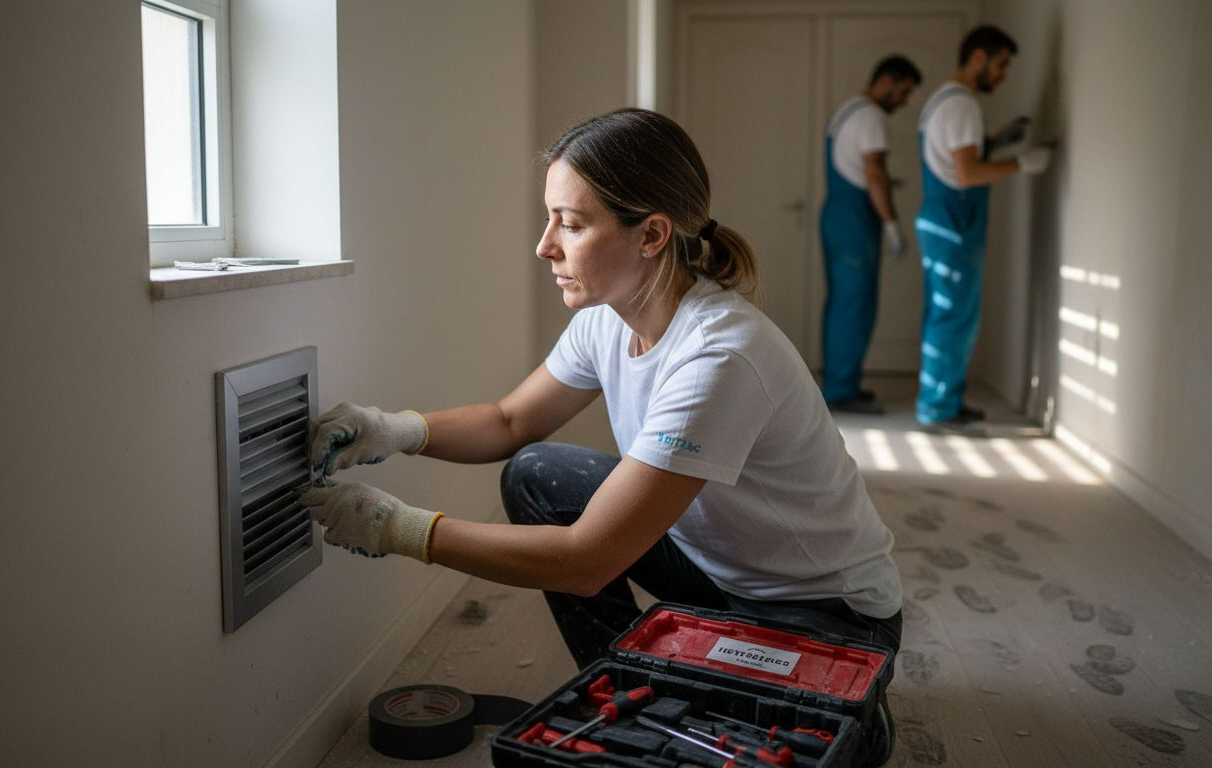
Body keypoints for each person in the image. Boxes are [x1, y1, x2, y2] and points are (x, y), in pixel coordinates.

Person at [302, 108, 903, 765]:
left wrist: (397, 528)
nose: (545, 245)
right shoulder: (608, 318)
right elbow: (510, 422)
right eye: (550, 217)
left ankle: (820, 713)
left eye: (572, 222)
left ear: (651, 235)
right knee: (536, 473)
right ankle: (634, 688)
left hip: (824, 613)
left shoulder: (719, 356)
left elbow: (587, 560)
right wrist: (392, 428)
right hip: (720, 578)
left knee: (792, 747)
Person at [914, 25, 1053, 433]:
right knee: (954, 317)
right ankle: (938, 408)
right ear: (978, 57)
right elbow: (967, 170)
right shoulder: (962, 106)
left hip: (944, 219)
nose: (1004, 74)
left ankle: (943, 400)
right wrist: (1023, 163)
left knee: (946, 314)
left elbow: (962, 155)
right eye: (1001, 64)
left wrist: (995, 142)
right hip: (954, 223)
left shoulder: (942, 100)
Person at [819, 55, 922, 415]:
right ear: (886, 81)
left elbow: (862, 172)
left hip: (837, 213)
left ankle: (840, 382)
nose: (904, 100)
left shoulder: (848, 110)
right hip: (855, 219)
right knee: (855, 305)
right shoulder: (871, 116)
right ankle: (841, 389)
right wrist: (892, 223)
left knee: (842, 303)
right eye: (903, 91)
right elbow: (874, 173)